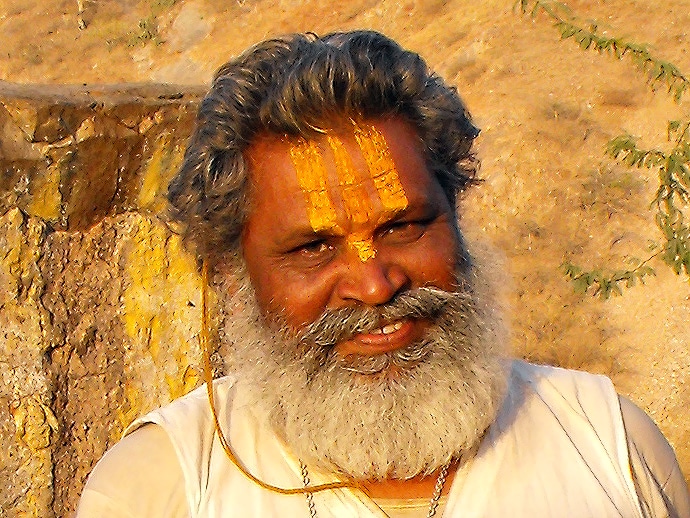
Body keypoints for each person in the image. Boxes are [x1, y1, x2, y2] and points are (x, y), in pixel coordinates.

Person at [76, 30, 690, 517]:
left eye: (403, 228)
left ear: (456, 217)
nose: (375, 286)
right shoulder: (162, 488)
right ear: (233, 278)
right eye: (314, 247)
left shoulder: (613, 452)